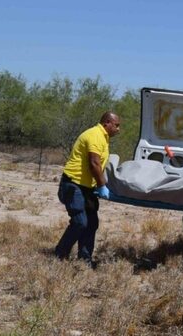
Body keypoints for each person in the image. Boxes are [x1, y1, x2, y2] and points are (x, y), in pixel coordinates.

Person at [55, 111, 120, 269]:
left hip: (86, 187)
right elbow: (94, 164)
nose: (118, 129)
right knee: (80, 222)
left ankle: (85, 260)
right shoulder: (95, 135)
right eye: (116, 125)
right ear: (107, 123)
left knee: (91, 223)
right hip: (73, 185)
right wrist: (102, 185)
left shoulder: (103, 138)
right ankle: (59, 255)